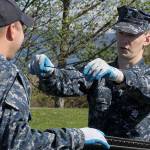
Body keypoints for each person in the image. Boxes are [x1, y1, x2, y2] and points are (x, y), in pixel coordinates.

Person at [29, 5, 150, 142]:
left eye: (131, 34)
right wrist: (49, 72)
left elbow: (144, 87)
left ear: (147, 39)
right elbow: (67, 82)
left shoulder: (145, 75)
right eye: (121, 32)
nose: (124, 40)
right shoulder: (101, 71)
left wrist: (119, 76)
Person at [0, 0, 110, 149]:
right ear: (12, 29)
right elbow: (17, 143)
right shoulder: (8, 74)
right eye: (23, 28)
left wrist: (50, 73)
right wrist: (77, 136)